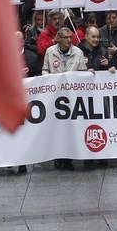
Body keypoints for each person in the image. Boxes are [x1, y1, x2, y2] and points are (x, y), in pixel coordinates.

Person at [42, 29, 87, 171]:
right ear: (58, 39)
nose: (69, 40)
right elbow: (45, 70)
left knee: (70, 127)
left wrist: (86, 74)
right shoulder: (50, 51)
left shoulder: (78, 52)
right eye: (66, 38)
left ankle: (68, 158)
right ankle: (58, 156)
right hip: (55, 96)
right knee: (57, 127)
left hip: (72, 96)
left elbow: (82, 72)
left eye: (70, 37)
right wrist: (48, 81)